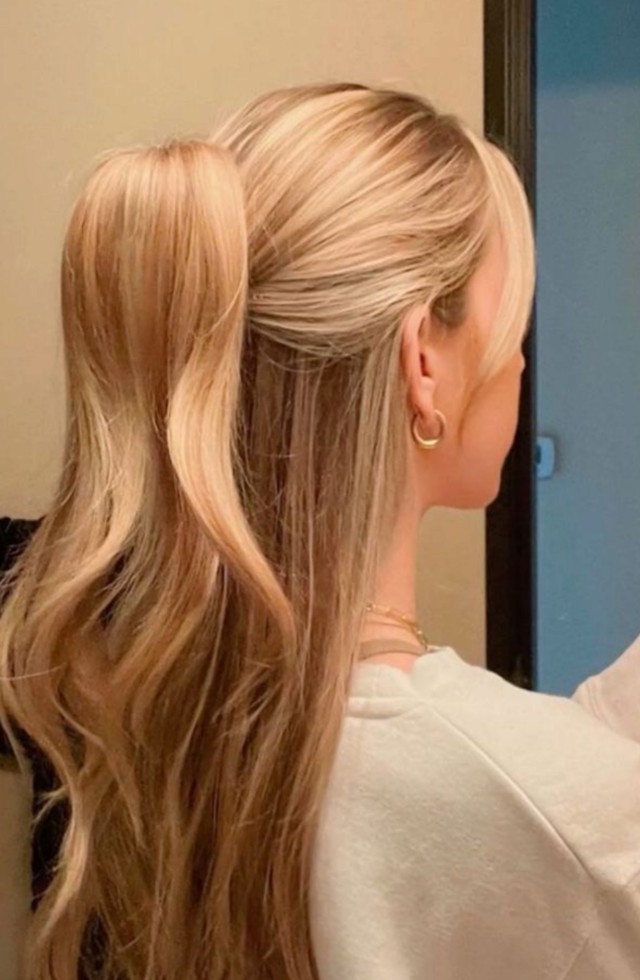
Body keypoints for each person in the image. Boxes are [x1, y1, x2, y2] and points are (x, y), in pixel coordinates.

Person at [0, 81, 639, 980]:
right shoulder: (553, 819)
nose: (521, 357)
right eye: (513, 315)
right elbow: (543, 809)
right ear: (424, 362)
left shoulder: (145, 695)